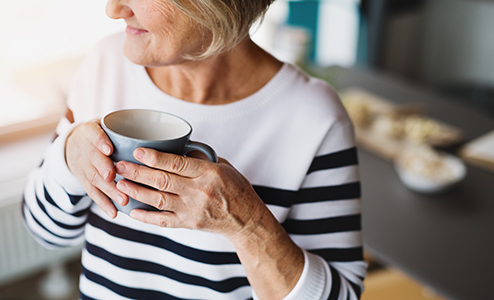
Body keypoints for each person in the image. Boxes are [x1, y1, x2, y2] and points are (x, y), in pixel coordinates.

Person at [22, 0, 367, 299]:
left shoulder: (315, 118)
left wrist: (247, 224)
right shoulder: (106, 64)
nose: (114, 9)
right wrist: (68, 157)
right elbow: (46, 232)